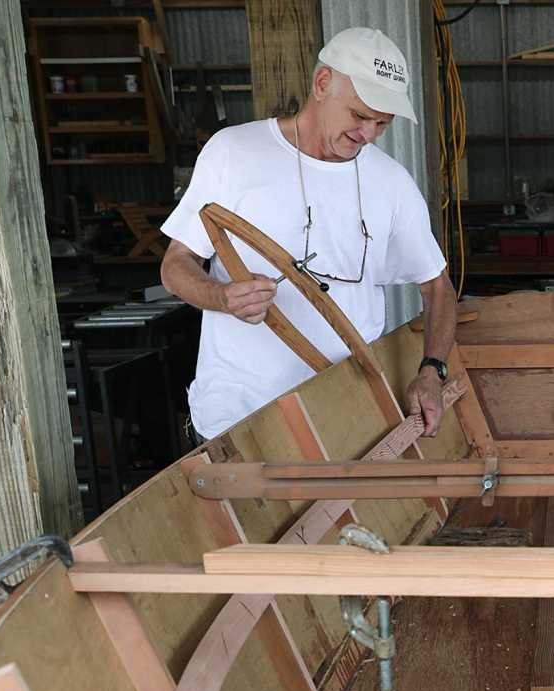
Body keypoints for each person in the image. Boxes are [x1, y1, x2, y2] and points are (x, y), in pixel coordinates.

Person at [159, 27, 456, 443]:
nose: (368, 134)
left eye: (382, 124)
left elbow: (438, 288)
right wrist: (221, 298)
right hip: (236, 420)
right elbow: (175, 265)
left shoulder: (391, 183)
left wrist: (432, 372)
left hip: (345, 419)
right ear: (322, 84)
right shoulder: (234, 153)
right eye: (359, 115)